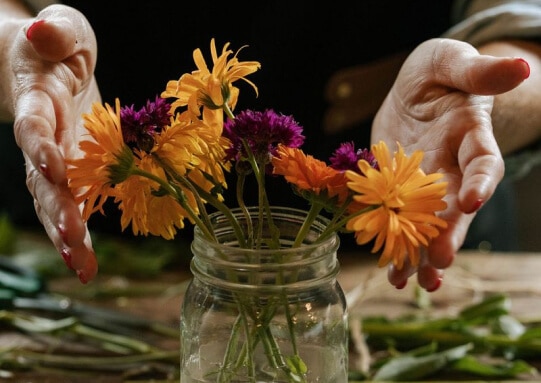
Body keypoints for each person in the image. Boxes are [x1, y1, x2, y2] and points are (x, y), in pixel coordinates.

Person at [0, 0, 540, 291]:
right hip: (94, 257)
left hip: (383, 246)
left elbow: (525, 24)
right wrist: (16, 54)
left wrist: (481, 98)